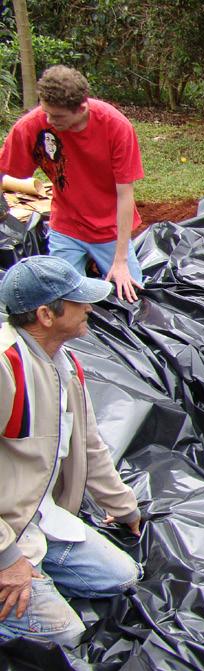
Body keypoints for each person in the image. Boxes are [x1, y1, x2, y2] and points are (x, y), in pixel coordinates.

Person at [0, 255, 142, 646]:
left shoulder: (62, 363)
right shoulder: (6, 367)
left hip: (34, 517)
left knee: (123, 577)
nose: (89, 309)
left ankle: (37, 567)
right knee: (65, 635)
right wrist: (8, 560)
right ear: (46, 315)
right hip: (5, 530)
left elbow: (90, 444)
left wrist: (124, 505)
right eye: (78, 301)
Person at [0, 65, 145, 302]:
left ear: (81, 109)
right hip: (66, 227)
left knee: (132, 297)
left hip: (109, 230)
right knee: (62, 302)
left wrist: (120, 261)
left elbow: (125, 195)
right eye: (45, 112)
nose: (48, 120)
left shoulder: (115, 127)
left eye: (57, 117)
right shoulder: (34, 125)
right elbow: (2, 168)